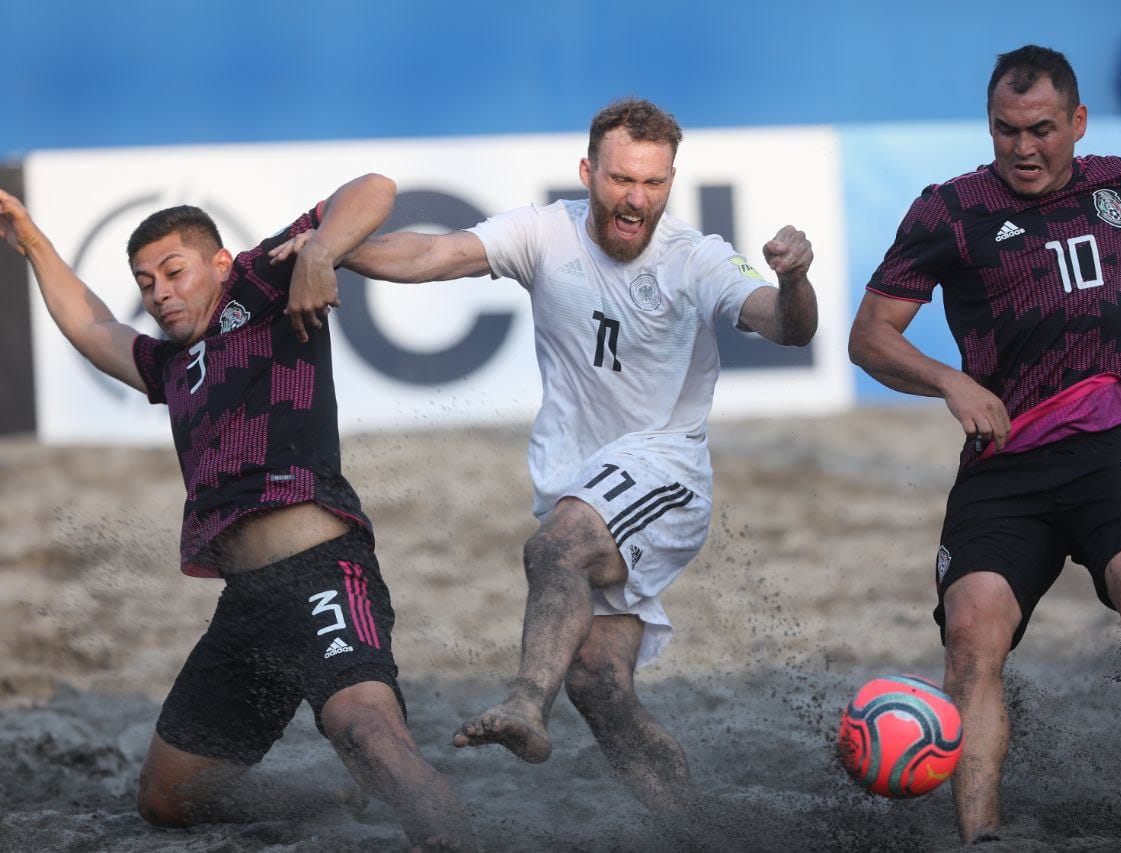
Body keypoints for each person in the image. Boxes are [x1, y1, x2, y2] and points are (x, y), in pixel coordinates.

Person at [273, 97, 818, 814]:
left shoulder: (697, 258)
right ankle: (697, 829)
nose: (636, 199)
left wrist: (793, 280)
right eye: (622, 179)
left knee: (554, 546)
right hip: (582, 480)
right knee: (599, 683)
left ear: (671, 180)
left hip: (664, 473)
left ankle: (526, 702)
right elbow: (436, 254)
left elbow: (786, 327)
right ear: (588, 171)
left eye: (653, 184)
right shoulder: (545, 232)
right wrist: (331, 249)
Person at [848, 45, 1121, 851]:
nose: (1024, 148)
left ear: (1076, 122)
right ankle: (982, 837)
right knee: (972, 630)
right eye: (1006, 131)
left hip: (1108, 446)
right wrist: (950, 382)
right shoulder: (948, 211)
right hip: (1002, 464)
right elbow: (870, 337)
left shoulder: (1119, 186)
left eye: (1041, 129)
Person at [0, 176, 474, 851]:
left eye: (173, 271)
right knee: (168, 797)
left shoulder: (259, 283)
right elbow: (94, 326)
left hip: (322, 573)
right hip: (247, 609)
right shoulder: (171, 364)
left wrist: (319, 254)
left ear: (218, 264)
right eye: (145, 281)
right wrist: (32, 242)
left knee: (367, 731)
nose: (159, 291)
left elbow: (373, 190)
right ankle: (334, 807)